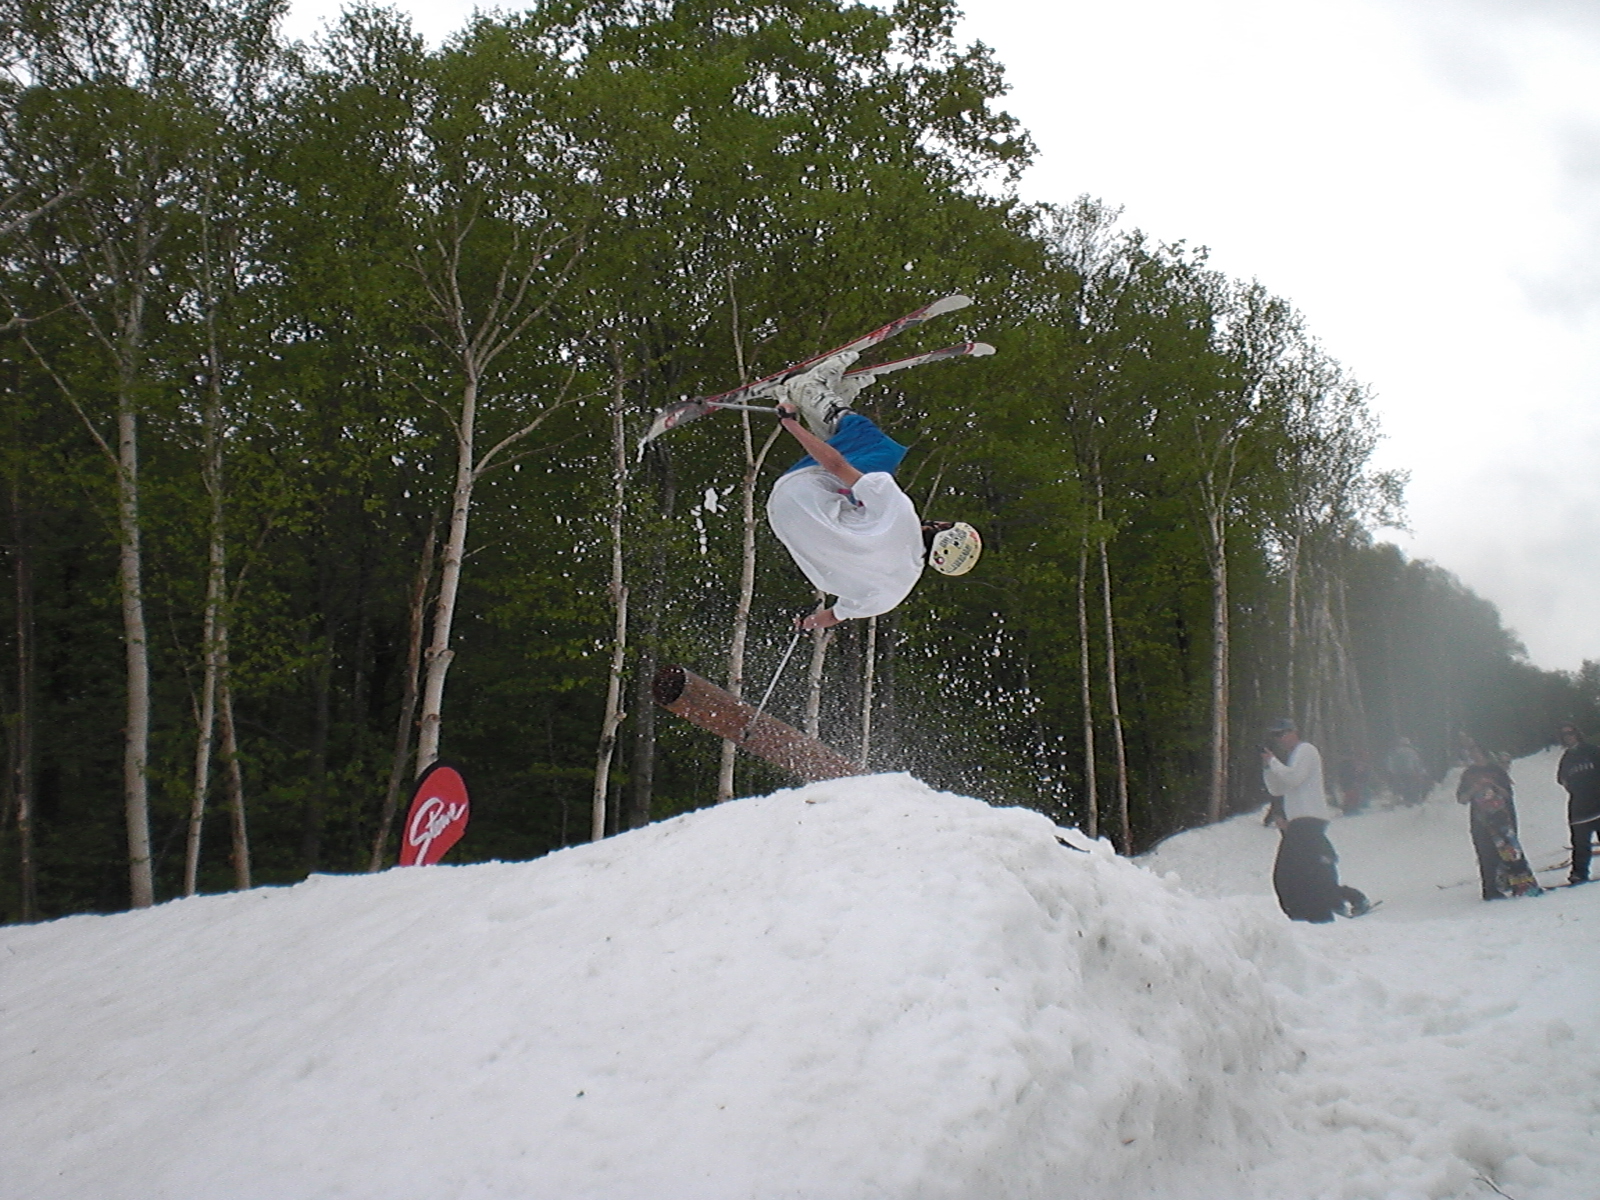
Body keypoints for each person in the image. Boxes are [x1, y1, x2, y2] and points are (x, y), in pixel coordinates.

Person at [764, 352, 981, 631]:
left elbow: (835, 463)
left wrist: (790, 423)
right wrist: (805, 624)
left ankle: (812, 391)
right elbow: (833, 616)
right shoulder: (892, 595)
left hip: (801, 487)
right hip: (781, 516)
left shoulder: (900, 512)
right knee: (861, 489)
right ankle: (831, 407)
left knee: (879, 450)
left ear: (940, 528)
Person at [1261, 718, 1370, 922]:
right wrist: (1268, 767)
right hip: (1299, 823)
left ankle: (1319, 910)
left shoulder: (1306, 750)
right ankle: (1332, 903)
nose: (1280, 739)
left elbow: (1294, 778)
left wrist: (1274, 762)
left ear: (1294, 732)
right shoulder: (1293, 758)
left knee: (1294, 872)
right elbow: (1277, 788)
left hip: (1309, 820)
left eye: (1283, 733)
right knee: (1309, 870)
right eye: (1276, 736)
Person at [1455, 738, 1541, 900]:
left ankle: (1520, 885)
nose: (1475, 756)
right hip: (1481, 820)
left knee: (1511, 852)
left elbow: (1508, 793)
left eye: (1477, 752)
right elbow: (1461, 798)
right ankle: (1490, 889)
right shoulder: (1468, 774)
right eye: (1472, 754)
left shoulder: (1497, 770)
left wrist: (1493, 785)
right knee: (1485, 854)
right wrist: (1475, 788)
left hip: (1503, 818)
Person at [1556, 722, 1600, 886]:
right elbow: (1561, 779)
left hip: (1598, 804)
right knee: (1580, 843)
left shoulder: (1592, 751)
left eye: (1571, 733)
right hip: (1579, 808)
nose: (1569, 737)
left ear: (1577, 734)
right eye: (1565, 735)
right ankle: (1579, 873)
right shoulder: (1566, 758)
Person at [1384, 737, 1430, 807]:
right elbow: (1416, 762)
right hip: (1410, 771)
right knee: (1411, 785)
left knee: (1402, 786)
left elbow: (1390, 763)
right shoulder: (1412, 752)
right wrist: (1420, 771)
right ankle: (1412, 800)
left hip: (1398, 772)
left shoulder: (1395, 752)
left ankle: (1405, 799)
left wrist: (1392, 771)